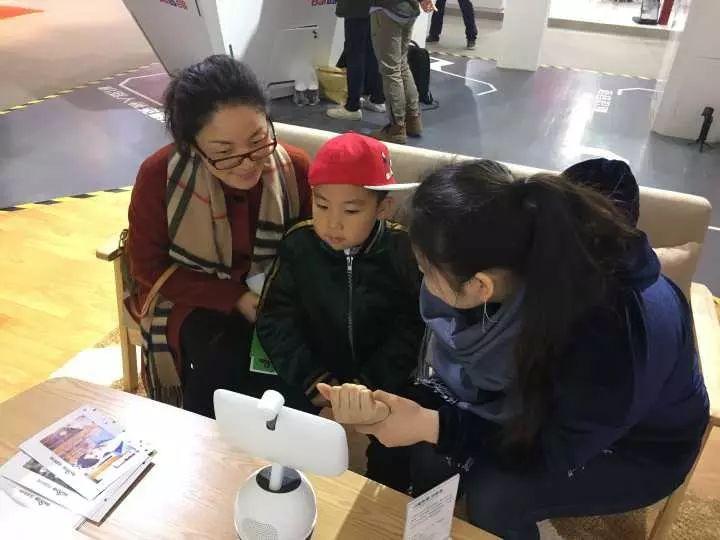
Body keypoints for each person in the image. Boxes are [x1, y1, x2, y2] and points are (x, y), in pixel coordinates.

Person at [338, 160, 708, 538]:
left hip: (639, 446)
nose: (423, 282)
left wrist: (431, 424)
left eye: (426, 271)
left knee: (496, 494)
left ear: (481, 286)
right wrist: (417, 417)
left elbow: (552, 447)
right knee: (432, 451)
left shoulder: (608, 337)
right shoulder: (523, 260)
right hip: (556, 408)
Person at [126, 55, 312, 418]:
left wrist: (281, 300)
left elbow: (309, 251)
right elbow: (147, 266)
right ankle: (207, 443)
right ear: (192, 146)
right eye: (224, 153)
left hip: (277, 295)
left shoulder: (294, 169)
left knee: (288, 368)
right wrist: (234, 296)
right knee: (217, 360)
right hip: (191, 293)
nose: (248, 162)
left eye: (258, 140)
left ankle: (284, 445)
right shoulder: (161, 176)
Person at [256, 133, 424, 490]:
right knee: (283, 439)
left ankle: (382, 503)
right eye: (321, 206)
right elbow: (275, 320)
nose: (333, 223)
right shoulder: (299, 244)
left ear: (383, 208)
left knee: (395, 459)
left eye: (350, 211)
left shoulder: (403, 250)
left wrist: (368, 386)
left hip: (384, 379)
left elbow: (413, 327)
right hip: (314, 371)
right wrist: (315, 382)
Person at [369, 0, 435, 144]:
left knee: (391, 70)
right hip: (408, 10)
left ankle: (397, 128)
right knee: (401, 65)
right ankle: (413, 120)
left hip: (387, 9)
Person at [327, 0, 386, 121]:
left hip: (357, 6)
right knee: (372, 50)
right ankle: (377, 99)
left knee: (355, 53)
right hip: (378, 7)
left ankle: (352, 107)